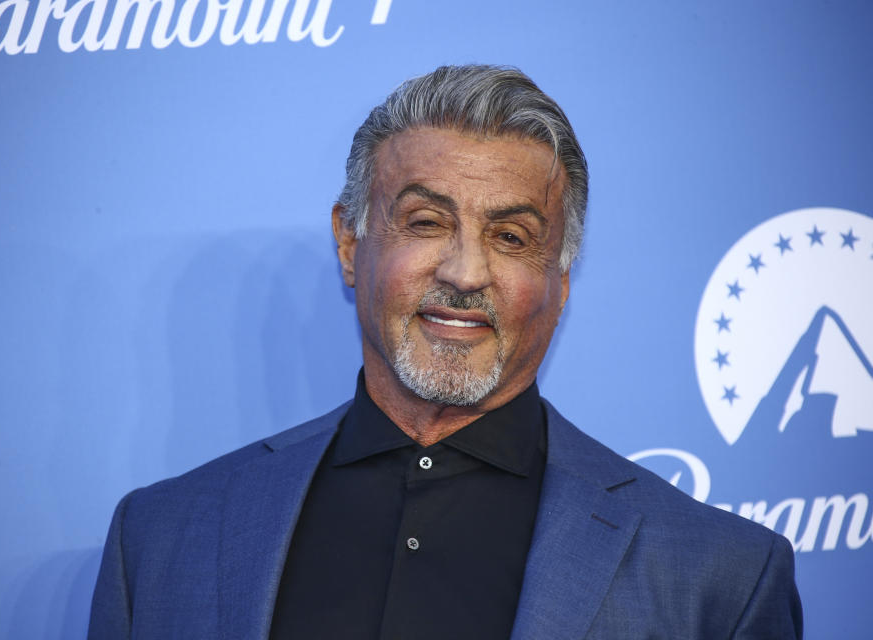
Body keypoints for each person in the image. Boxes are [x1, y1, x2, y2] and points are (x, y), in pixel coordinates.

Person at [88, 65, 803, 639]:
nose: (465, 273)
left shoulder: (720, 579)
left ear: (559, 280)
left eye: (512, 237)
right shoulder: (159, 541)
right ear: (349, 243)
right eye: (426, 222)